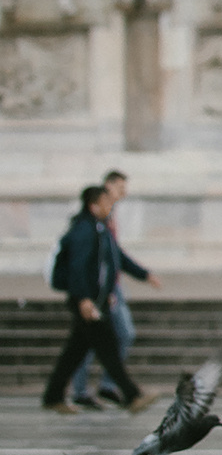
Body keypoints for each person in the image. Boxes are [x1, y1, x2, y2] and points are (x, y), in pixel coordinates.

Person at [42, 186, 152, 415]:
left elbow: (113, 261)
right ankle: (132, 395)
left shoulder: (98, 229)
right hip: (87, 301)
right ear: (93, 205)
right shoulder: (85, 230)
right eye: (106, 202)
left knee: (74, 352)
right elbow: (79, 268)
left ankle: (53, 396)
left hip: (94, 299)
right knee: (108, 346)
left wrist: (142, 275)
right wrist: (84, 299)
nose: (110, 206)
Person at [71, 169, 160, 408]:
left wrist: (143, 274)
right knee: (100, 338)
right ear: (107, 187)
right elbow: (95, 260)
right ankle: (98, 390)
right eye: (120, 187)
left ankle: (101, 388)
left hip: (108, 288)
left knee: (98, 339)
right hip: (102, 290)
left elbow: (114, 255)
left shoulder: (106, 216)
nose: (124, 193)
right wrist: (100, 293)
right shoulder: (94, 220)